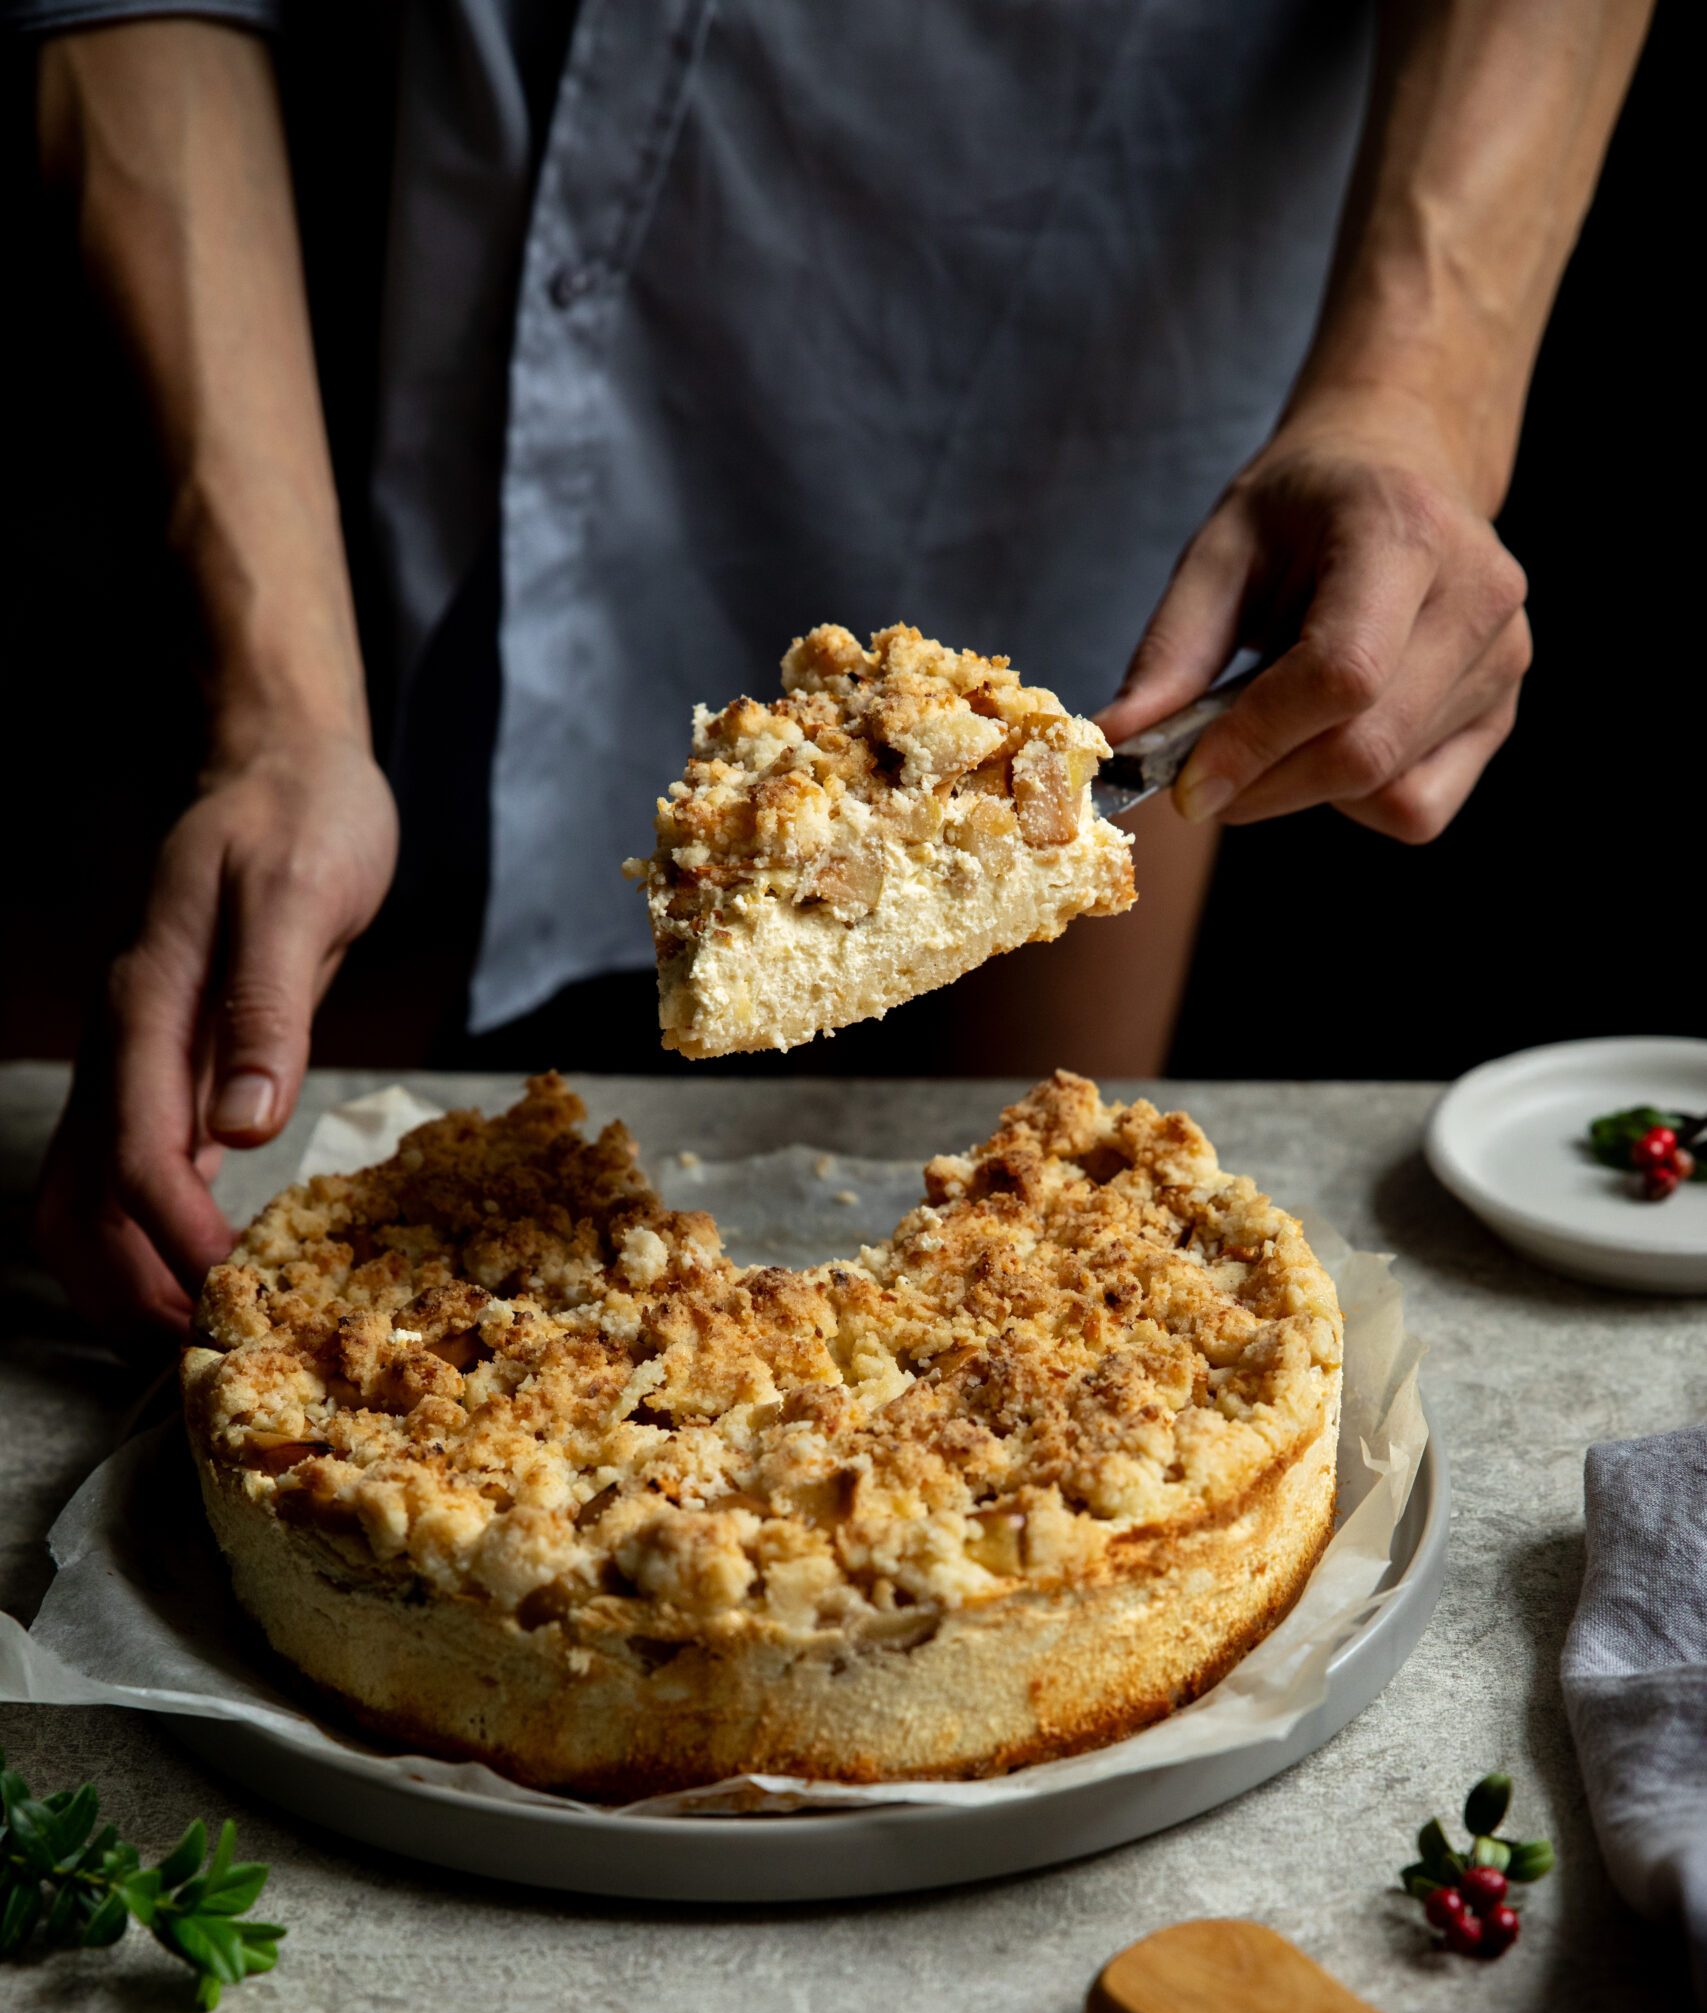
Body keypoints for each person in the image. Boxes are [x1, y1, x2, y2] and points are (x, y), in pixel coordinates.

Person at [16, 0, 1651, 1343]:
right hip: (360, 326)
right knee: (256, 1187)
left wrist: (1421, 392)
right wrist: (279, 716)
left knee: (1034, 1268)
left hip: (1091, 321)